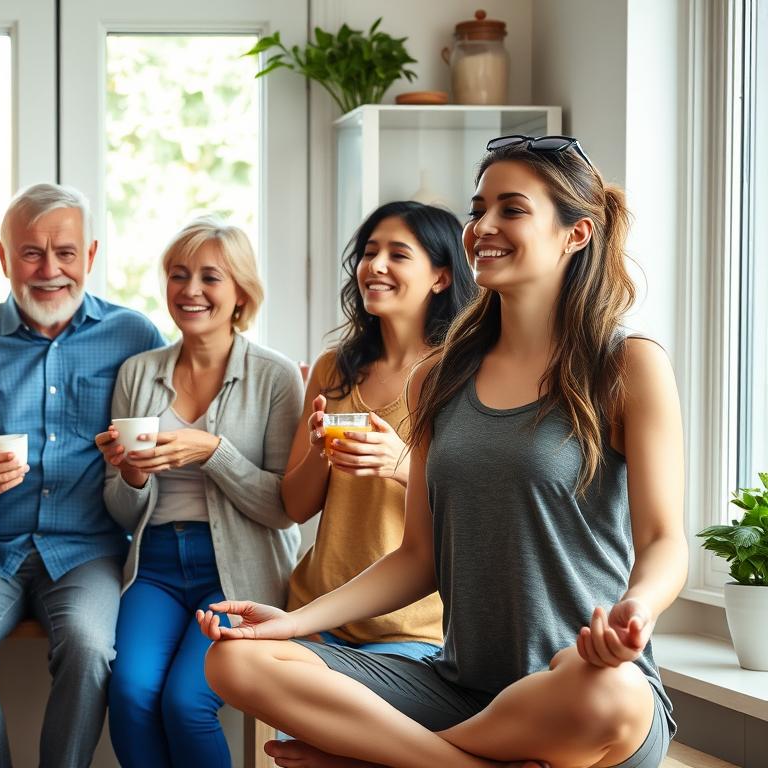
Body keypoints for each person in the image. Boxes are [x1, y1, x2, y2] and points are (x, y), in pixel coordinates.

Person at [199, 135, 685, 768]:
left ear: (576, 234)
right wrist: (290, 623)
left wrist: (635, 611)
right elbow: (417, 556)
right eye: (478, 209)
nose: (482, 226)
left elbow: (663, 540)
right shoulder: (440, 376)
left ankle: (386, 758)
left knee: (609, 698)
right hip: (461, 692)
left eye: (512, 209)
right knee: (236, 658)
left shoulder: (626, 365)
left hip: (581, 685)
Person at [0, 183, 164, 767]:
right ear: (4, 258)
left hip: (89, 548)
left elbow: (160, 455)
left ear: (90, 256)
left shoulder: (135, 337)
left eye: (66, 253)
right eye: (32, 253)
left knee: (89, 647)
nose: (50, 270)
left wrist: (136, 469)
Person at [95, 217, 302, 768]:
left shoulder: (276, 377)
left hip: (237, 570)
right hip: (155, 567)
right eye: (178, 275)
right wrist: (133, 475)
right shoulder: (138, 373)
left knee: (187, 703)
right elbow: (118, 505)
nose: (190, 291)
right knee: (132, 695)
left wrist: (213, 451)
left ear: (240, 292)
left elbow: (283, 508)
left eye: (210, 277)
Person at [281, 201, 475, 663]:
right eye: (370, 252)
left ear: (441, 276)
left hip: (412, 628)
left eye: (399, 254)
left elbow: (479, 504)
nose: (376, 265)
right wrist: (317, 451)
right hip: (317, 614)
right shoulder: (334, 367)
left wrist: (403, 465)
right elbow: (295, 507)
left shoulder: (463, 374)